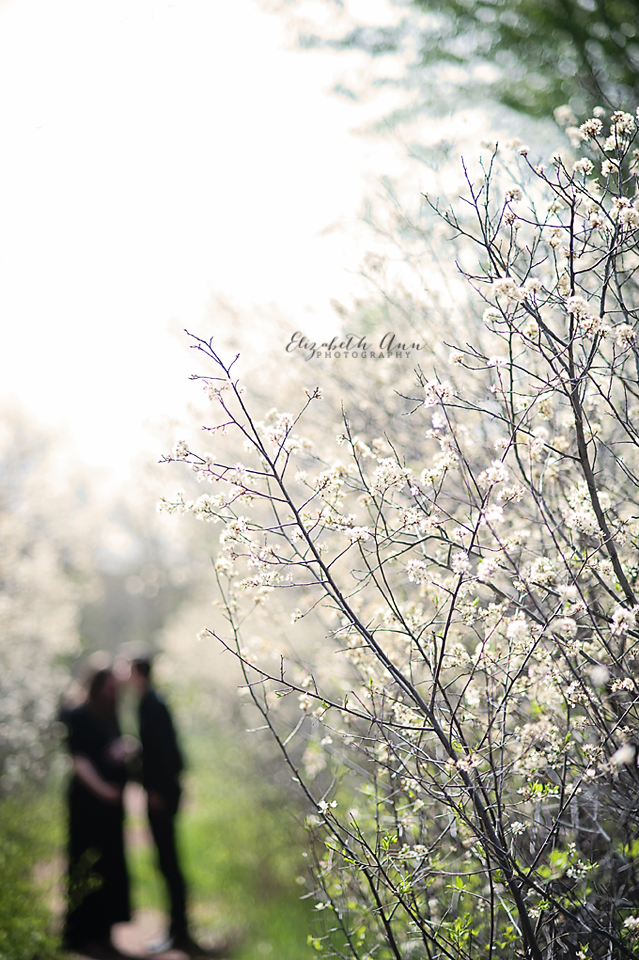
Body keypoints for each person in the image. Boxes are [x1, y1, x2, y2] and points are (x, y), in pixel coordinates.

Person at [129, 657, 202, 956]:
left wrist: (157, 790)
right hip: (163, 792)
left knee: (168, 862)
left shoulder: (151, 704)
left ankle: (179, 932)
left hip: (161, 796)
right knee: (167, 861)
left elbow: (166, 751)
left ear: (137, 673)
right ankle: (178, 929)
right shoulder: (152, 701)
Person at [62, 667, 131, 960]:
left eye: (114, 687)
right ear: (95, 686)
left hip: (111, 808)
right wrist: (103, 790)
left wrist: (127, 748)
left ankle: (104, 933)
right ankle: (82, 935)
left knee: (110, 865)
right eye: (107, 686)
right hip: (87, 806)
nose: (111, 692)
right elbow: (78, 760)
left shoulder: (111, 715)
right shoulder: (77, 715)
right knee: (86, 863)